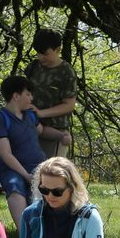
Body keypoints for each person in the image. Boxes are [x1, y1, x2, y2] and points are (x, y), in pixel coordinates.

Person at [0, 75, 47, 231]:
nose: (31, 98)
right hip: (13, 170)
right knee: (16, 188)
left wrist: (62, 135)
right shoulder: (0, 119)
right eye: (28, 94)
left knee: (50, 186)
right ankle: (25, 236)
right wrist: (26, 175)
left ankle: (45, 234)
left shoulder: (30, 115)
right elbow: (5, 154)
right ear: (16, 96)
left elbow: (41, 131)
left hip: (39, 166)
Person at [24, 28, 78, 158]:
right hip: (31, 127)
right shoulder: (34, 67)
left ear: (57, 50)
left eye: (45, 54)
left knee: (50, 168)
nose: (41, 57)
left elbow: (69, 105)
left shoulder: (66, 72)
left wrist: (42, 113)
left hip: (56, 132)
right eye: (38, 53)